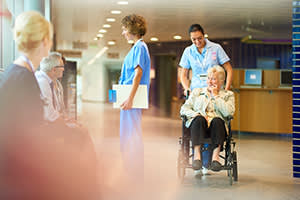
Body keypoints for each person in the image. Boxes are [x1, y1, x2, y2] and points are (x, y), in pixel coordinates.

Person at [0, 11, 98, 199]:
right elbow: (27, 138)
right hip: (16, 174)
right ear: (44, 41)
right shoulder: (24, 79)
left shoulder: (18, 74)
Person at [180, 65, 235, 172]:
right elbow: (184, 109)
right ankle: (197, 157)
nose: (210, 82)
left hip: (217, 128)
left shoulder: (228, 95)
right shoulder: (197, 92)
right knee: (199, 119)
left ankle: (215, 158)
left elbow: (229, 112)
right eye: (209, 78)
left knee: (217, 120)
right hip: (200, 126)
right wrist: (195, 114)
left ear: (221, 81)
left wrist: (216, 96)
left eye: (214, 79)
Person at [119, 14, 150, 184]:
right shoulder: (137, 47)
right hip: (129, 99)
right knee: (130, 133)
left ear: (132, 29)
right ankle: (132, 170)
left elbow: (138, 73)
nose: (123, 33)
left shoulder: (140, 47)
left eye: (124, 29)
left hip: (132, 100)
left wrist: (130, 99)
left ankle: (134, 172)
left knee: (132, 134)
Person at [179, 24, 233, 94]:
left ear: (204, 35)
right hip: (196, 91)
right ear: (190, 38)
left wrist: (227, 89)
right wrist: (187, 88)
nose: (197, 41)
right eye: (194, 39)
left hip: (214, 91)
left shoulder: (216, 48)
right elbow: (183, 75)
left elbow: (229, 69)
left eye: (200, 38)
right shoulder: (188, 51)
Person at [35, 52, 65, 122]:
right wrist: (66, 125)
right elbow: (50, 115)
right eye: (62, 66)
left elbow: (59, 109)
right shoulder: (42, 82)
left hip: (52, 122)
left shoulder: (52, 82)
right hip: (44, 126)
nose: (63, 69)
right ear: (54, 69)